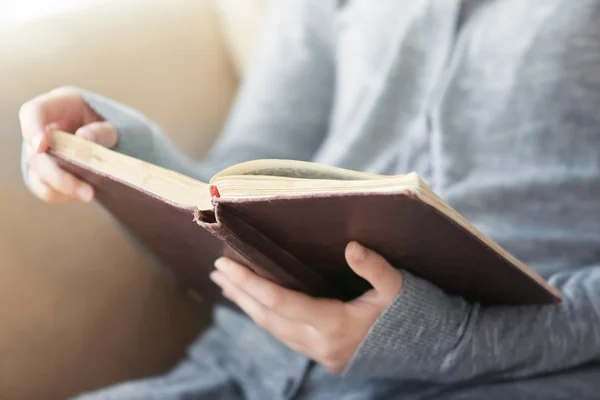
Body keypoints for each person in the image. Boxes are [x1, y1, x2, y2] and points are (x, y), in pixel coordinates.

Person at [18, 1, 600, 399]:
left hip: (509, 375)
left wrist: (459, 339)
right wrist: (112, 146)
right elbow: (244, 177)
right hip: (243, 369)